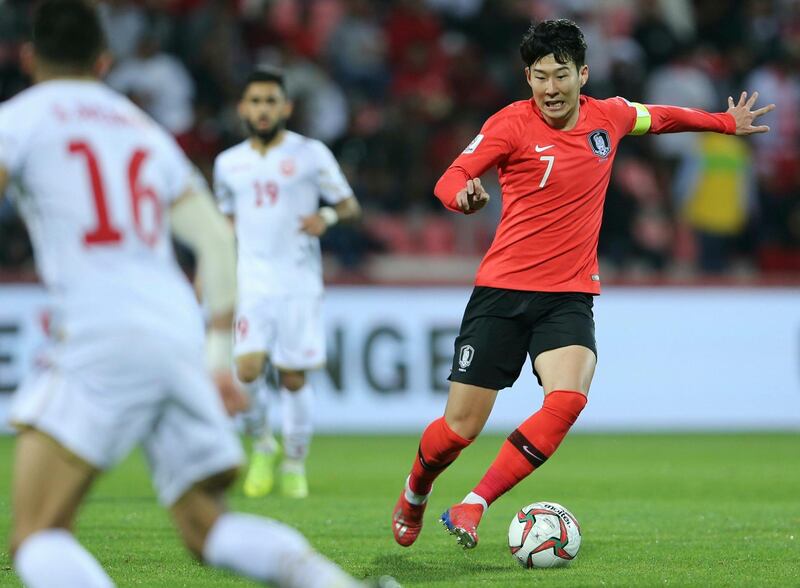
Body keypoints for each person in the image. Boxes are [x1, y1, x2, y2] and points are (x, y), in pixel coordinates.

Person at [0, 2, 385, 587]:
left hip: (98, 330)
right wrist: (214, 355)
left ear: (27, 58)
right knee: (207, 526)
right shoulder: (140, 129)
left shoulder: (19, 119)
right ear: (103, 61)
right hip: (176, 327)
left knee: (37, 534)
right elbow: (214, 240)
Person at [391, 18, 775, 550]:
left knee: (567, 400)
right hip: (502, 293)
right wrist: (463, 198)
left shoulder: (608, 117)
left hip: (569, 294)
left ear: (583, 74)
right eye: (540, 76)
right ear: (528, 78)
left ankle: (473, 504)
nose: (551, 88)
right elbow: (450, 178)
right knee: (458, 430)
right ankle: (417, 488)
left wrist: (723, 123)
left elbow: (659, 117)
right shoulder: (509, 124)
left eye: (562, 75)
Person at [213, 67, 361, 499]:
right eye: (255, 101)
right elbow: (224, 226)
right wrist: (214, 275)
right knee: (246, 371)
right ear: (243, 108)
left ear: (286, 107)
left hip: (298, 280)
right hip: (251, 280)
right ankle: (263, 444)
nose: (263, 109)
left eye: (270, 101)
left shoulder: (311, 153)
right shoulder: (228, 164)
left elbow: (349, 204)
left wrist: (328, 217)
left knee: (293, 377)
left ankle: (294, 463)